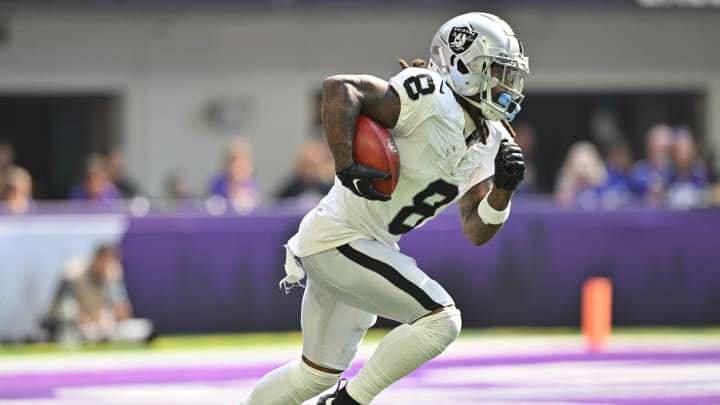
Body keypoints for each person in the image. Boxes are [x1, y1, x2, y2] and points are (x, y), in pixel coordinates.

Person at [240, 12, 528, 405]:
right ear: (464, 67)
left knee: (314, 374)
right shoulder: (429, 96)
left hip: (362, 246)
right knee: (441, 319)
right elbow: (339, 89)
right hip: (342, 238)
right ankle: (351, 403)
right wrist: (345, 165)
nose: (507, 86)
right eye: (497, 72)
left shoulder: (488, 138)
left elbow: (476, 230)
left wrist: (504, 191)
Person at [46, 244, 153, 344]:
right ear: (97, 258)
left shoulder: (113, 273)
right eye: (106, 261)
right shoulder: (75, 272)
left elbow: (122, 311)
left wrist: (108, 319)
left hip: (104, 328)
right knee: (76, 333)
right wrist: (90, 321)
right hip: (78, 326)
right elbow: (67, 308)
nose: (108, 265)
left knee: (140, 328)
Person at [208, 138, 261, 212]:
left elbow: (255, 208)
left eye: (244, 163)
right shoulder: (218, 183)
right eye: (235, 163)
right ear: (226, 165)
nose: (240, 167)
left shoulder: (252, 184)